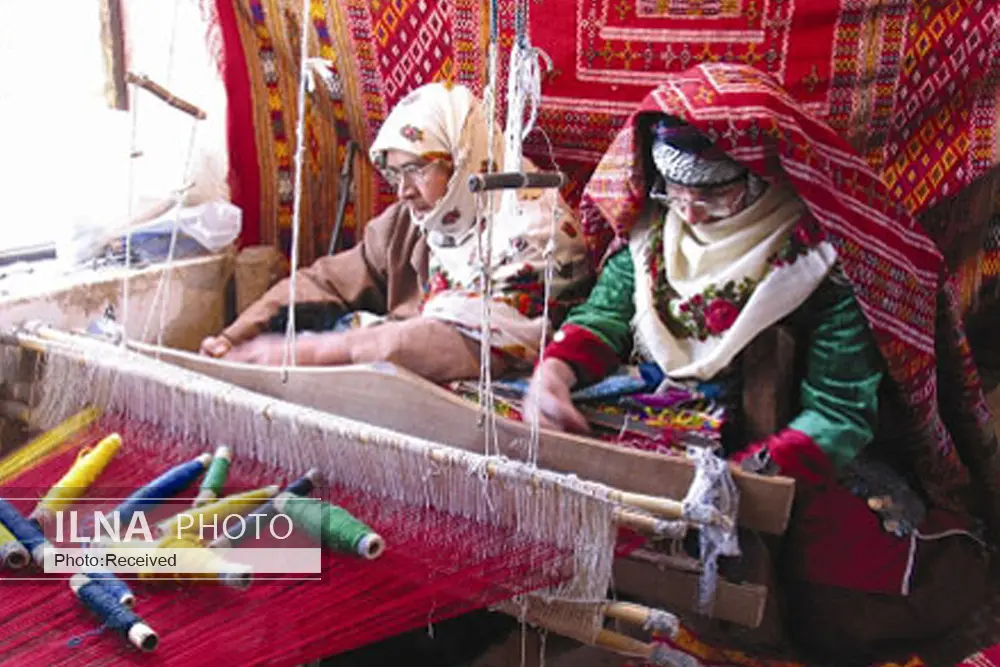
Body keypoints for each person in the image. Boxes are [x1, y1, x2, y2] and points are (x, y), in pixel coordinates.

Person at [526, 64, 996, 663]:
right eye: (677, 191)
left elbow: (839, 414)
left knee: (837, 601)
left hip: (785, 458)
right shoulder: (654, 233)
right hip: (674, 435)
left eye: (713, 191)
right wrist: (557, 372)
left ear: (764, 175)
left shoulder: (823, 263)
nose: (690, 213)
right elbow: (604, 316)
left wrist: (734, 483)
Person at [200, 82, 591, 383]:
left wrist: (311, 353)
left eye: (417, 169)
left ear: (465, 159)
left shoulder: (538, 232)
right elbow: (325, 281)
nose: (403, 190)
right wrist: (236, 336)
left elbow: (459, 344)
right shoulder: (417, 219)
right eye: (395, 172)